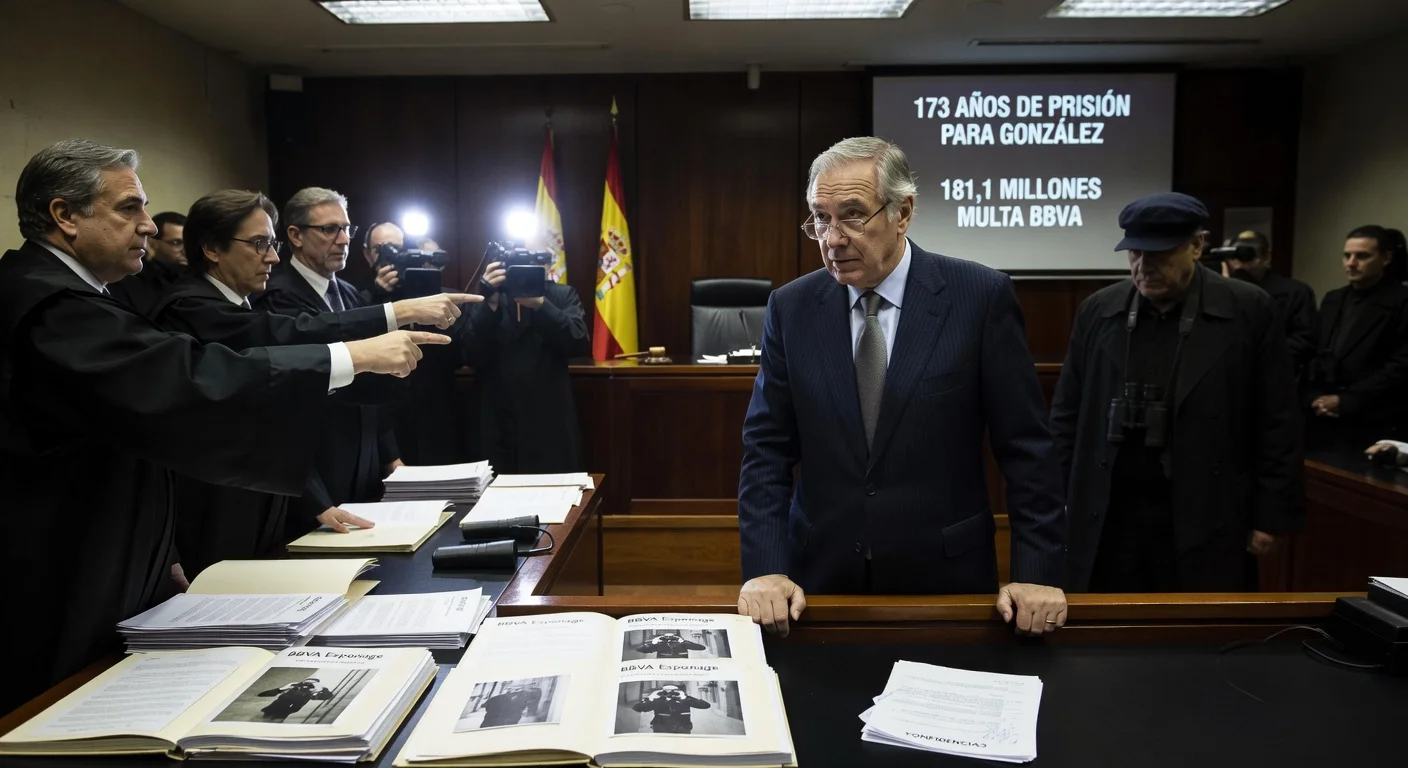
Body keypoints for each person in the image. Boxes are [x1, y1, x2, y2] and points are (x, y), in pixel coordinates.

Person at [0, 140, 446, 714]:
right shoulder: (51, 304)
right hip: (62, 565)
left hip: (113, 551)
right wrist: (351, 357)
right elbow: (185, 378)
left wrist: (159, 553)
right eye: (129, 209)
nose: (147, 227)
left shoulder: (79, 296)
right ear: (64, 216)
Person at [736, 137, 1067, 638]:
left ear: (903, 211)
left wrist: (1036, 574)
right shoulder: (792, 308)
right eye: (820, 218)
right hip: (819, 581)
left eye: (852, 215)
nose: (833, 237)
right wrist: (765, 566)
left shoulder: (978, 298)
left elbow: (1025, 448)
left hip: (946, 578)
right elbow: (767, 449)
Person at [148, 189, 479, 576]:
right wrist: (396, 315)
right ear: (212, 249)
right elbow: (291, 334)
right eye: (259, 244)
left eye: (270, 244)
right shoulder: (191, 305)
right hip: (218, 508)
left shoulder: (239, 301)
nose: (271, 256)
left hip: (272, 494)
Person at [1050, 193, 1303, 593]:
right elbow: (1066, 413)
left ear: (1197, 246)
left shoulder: (1249, 309)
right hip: (1110, 510)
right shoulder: (1100, 309)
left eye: (1160, 254)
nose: (1144, 267)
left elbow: (1278, 419)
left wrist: (1269, 517)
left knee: (1200, 634)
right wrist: (1056, 498)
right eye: (1134, 253)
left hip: (1207, 509)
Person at [253, 187, 418, 537]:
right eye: (329, 230)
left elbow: (374, 381)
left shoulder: (350, 292)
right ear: (295, 236)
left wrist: (389, 454)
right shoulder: (277, 295)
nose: (343, 240)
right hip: (314, 458)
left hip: (364, 454)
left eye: (347, 229)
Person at [459, 259, 590, 473]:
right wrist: (489, 304)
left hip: (549, 417)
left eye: (536, 261)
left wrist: (541, 305)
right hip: (496, 416)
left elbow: (578, 342)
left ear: (548, 266)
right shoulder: (489, 295)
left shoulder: (562, 295)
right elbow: (469, 354)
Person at [1305, 225, 1408, 450]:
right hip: (1321, 414)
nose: (1351, 263)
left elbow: (1400, 366)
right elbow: (1315, 350)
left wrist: (1347, 401)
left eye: (1362, 256)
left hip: (1374, 418)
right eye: (1347, 255)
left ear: (1386, 258)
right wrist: (1314, 396)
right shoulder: (1334, 299)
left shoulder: (1402, 302)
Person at [1221, 230, 1318, 375]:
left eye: (1248, 256)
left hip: (1274, 374)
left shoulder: (1294, 293)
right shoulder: (1221, 291)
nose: (1240, 265)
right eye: (1236, 257)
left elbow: (1304, 341)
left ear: (1266, 258)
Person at [107, 210, 185, 313]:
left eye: (187, 243)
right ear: (152, 243)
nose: (185, 250)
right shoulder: (132, 277)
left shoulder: (191, 275)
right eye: (176, 243)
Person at [631, 686, 711, 734]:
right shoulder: (658, 701)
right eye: (668, 692)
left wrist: (687, 698)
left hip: (682, 731)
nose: (671, 694)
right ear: (663, 692)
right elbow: (637, 707)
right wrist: (650, 699)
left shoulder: (685, 701)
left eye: (674, 692)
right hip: (662, 731)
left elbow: (706, 705)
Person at [258, 678, 333, 721]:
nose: (305, 687)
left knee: (278, 718)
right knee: (267, 717)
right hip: (276, 706)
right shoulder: (293, 687)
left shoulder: (313, 692)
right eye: (305, 684)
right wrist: (282, 689)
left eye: (309, 685)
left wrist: (321, 689)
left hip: (288, 710)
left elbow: (327, 696)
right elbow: (263, 694)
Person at [633, 633, 707, 659]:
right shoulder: (658, 644)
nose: (669, 641)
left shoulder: (683, 643)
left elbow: (701, 648)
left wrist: (683, 642)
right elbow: (639, 649)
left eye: (671, 639)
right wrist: (653, 643)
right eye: (667, 639)